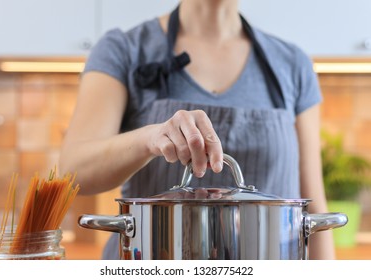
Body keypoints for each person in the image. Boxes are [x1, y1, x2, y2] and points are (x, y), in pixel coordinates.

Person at [59, 0, 335, 260]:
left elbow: (314, 212)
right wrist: (150, 139)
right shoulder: (123, 49)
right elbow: (74, 172)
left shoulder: (292, 63)